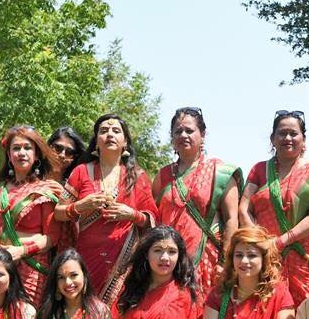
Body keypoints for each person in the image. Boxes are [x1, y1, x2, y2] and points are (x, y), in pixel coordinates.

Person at [56, 114, 157, 304]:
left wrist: (131, 214)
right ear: (96, 142)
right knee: (83, 310)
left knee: (117, 313)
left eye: (116, 131)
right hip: (85, 258)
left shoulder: (137, 177)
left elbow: (153, 221)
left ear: (125, 142)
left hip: (123, 262)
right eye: (104, 131)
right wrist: (81, 206)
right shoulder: (81, 172)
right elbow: (58, 213)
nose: (110, 134)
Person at [240, 110, 309, 304]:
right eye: (282, 133)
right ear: (272, 139)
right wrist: (261, 243)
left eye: (293, 133)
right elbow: (244, 208)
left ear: (303, 139)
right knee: (266, 307)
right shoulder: (259, 169)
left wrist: (280, 242)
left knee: (307, 310)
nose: (287, 138)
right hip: (266, 254)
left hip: (303, 256)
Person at [0, 126, 60, 306]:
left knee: (25, 317)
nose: (21, 153)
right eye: (16, 148)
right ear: (9, 155)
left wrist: (21, 251)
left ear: (36, 155)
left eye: (27, 148)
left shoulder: (45, 190)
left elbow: (52, 237)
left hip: (30, 267)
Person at [153, 107, 241, 294]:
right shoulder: (163, 175)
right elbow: (154, 219)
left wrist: (225, 262)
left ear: (203, 135)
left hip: (207, 261)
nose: (183, 135)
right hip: (168, 262)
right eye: (178, 131)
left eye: (189, 130)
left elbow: (232, 219)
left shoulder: (220, 172)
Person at [46, 127, 88, 253]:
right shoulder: (32, 177)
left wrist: (65, 197)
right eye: (58, 148)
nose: (62, 155)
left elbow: (82, 221)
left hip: (62, 249)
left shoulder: (76, 186)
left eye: (69, 152)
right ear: (48, 147)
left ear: (74, 157)